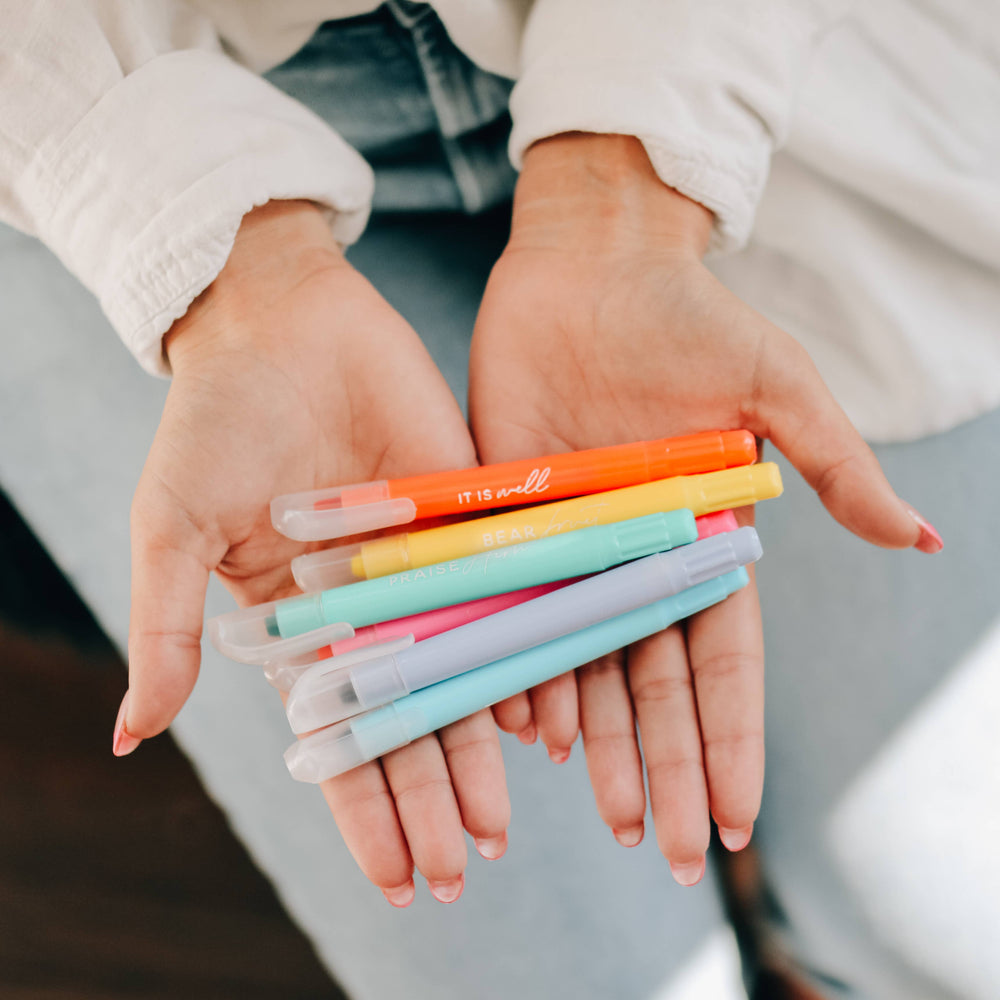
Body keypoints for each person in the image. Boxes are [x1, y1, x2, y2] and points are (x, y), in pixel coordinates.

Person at [2, 2, 997, 998]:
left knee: (941, 935)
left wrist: (628, 187)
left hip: (774, 69)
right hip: (128, 119)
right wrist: (225, 278)